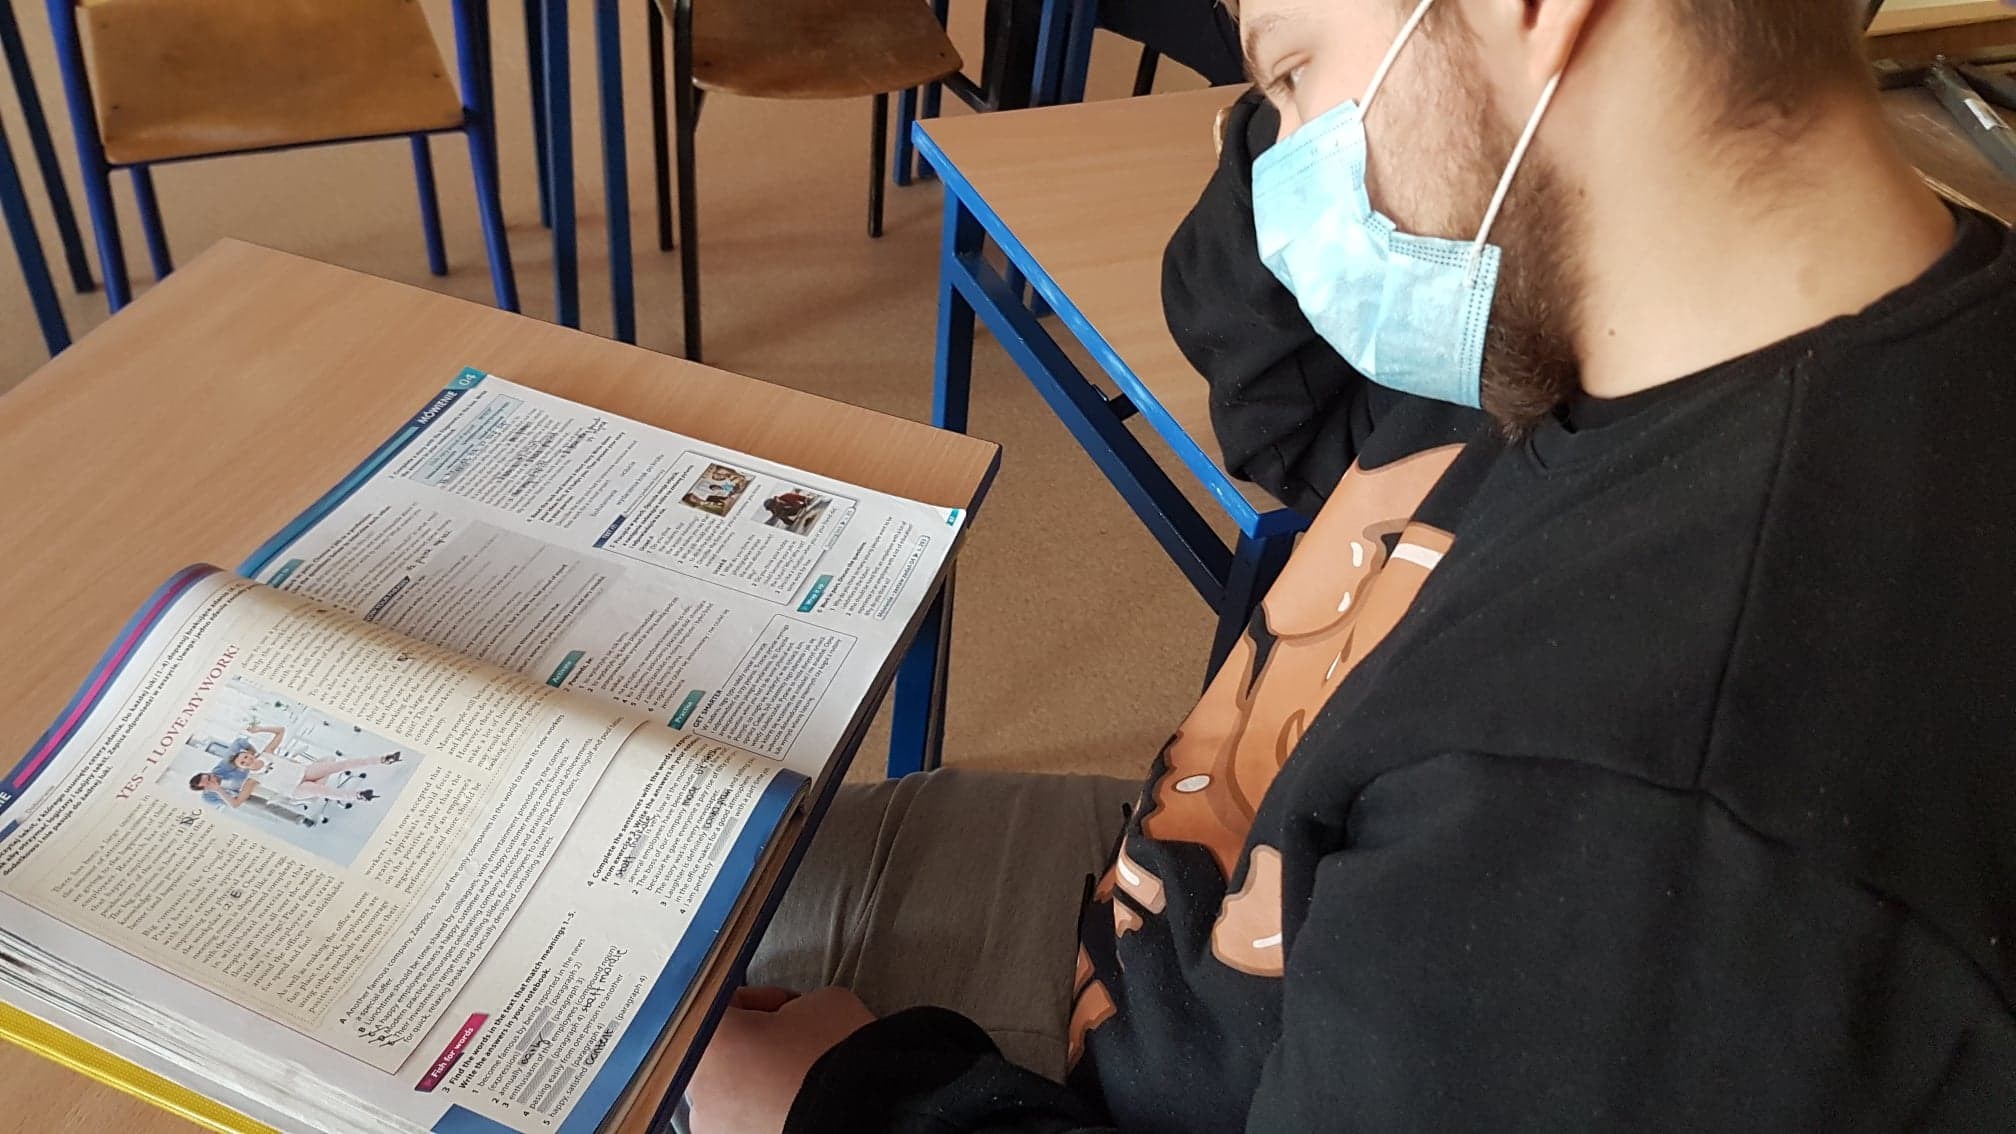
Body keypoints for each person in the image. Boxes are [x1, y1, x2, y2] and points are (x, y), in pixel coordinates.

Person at [689, 0, 2016, 1130]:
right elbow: (1293, 413)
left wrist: (849, 1098)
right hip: (1199, 909)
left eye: (1289, 73)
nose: (1294, 165)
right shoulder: (1616, 316)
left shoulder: (1634, 819)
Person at [191, 740, 400, 807]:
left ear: (249, 754)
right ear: (242, 768)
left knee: (339, 765)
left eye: (246, 757)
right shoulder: (251, 780)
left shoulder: (266, 753)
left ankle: (382, 759)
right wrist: (218, 790)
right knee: (319, 789)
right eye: (243, 762)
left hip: (304, 771)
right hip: (296, 788)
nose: (247, 760)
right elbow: (236, 804)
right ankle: (358, 796)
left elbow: (280, 732)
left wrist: (258, 730)